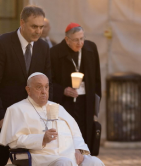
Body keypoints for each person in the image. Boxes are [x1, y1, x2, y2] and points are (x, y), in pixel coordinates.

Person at [0, 5, 52, 166]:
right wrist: (0, 117)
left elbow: (48, 83)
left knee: (29, 162)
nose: (38, 31)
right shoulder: (1, 44)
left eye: (41, 27)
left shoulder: (43, 47)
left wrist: (47, 114)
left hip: (31, 118)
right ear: (22, 22)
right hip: (3, 117)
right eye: (34, 26)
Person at [0, 72, 104, 166]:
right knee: (64, 163)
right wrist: (41, 138)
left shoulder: (58, 107)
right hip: (43, 158)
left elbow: (75, 132)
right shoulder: (16, 109)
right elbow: (14, 141)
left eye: (46, 87)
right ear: (28, 90)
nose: (44, 91)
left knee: (95, 162)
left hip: (70, 155)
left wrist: (78, 149)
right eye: (39, 87)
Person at [50, 22, 101, 154]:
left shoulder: (91, 48)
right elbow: (49, 81)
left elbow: (97, 79)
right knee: (68, 137)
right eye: (76, 40)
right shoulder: (55, 53)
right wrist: (63, 90)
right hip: (66, 104)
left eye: (82, 38)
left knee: (86, 136)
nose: (80, 43)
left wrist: (96, 106)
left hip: (86, 102)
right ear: (67, 40)